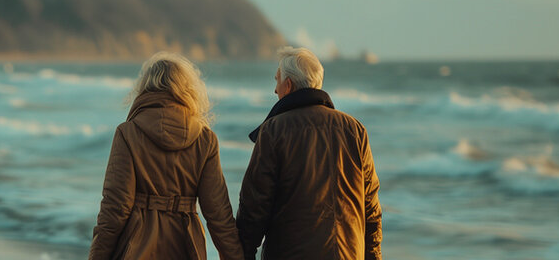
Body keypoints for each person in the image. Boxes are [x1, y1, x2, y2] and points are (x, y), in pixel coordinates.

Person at [90, 52, 243, 260]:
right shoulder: (205, 139)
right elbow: (219, 215)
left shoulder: (128, 133)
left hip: (137, 249)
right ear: (187, 90)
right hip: (186, 248)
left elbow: (115, 208)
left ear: (145, 88)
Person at [237, 47, 382, 259]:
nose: (275, 90)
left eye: (276, 81)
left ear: (288, 85)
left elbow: (254, 207)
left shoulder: (274, 130)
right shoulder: (355, 130)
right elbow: (371, 209)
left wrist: (242, 254)